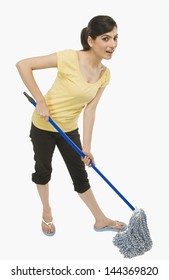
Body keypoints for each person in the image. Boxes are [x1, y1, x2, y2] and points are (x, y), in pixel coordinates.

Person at [16, 15, 127, 236]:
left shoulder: (105, 75)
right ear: (91, 40)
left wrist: (86, 147)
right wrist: (40, 100)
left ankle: (100, 219)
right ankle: (46, 211)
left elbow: (91, 110)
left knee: (80, 175)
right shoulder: (68, 57)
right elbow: (23, 65)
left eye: (115, 38)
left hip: (68, 129)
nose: (112, 44)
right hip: (43, 125)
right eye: (105, 38)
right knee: (43, 170)